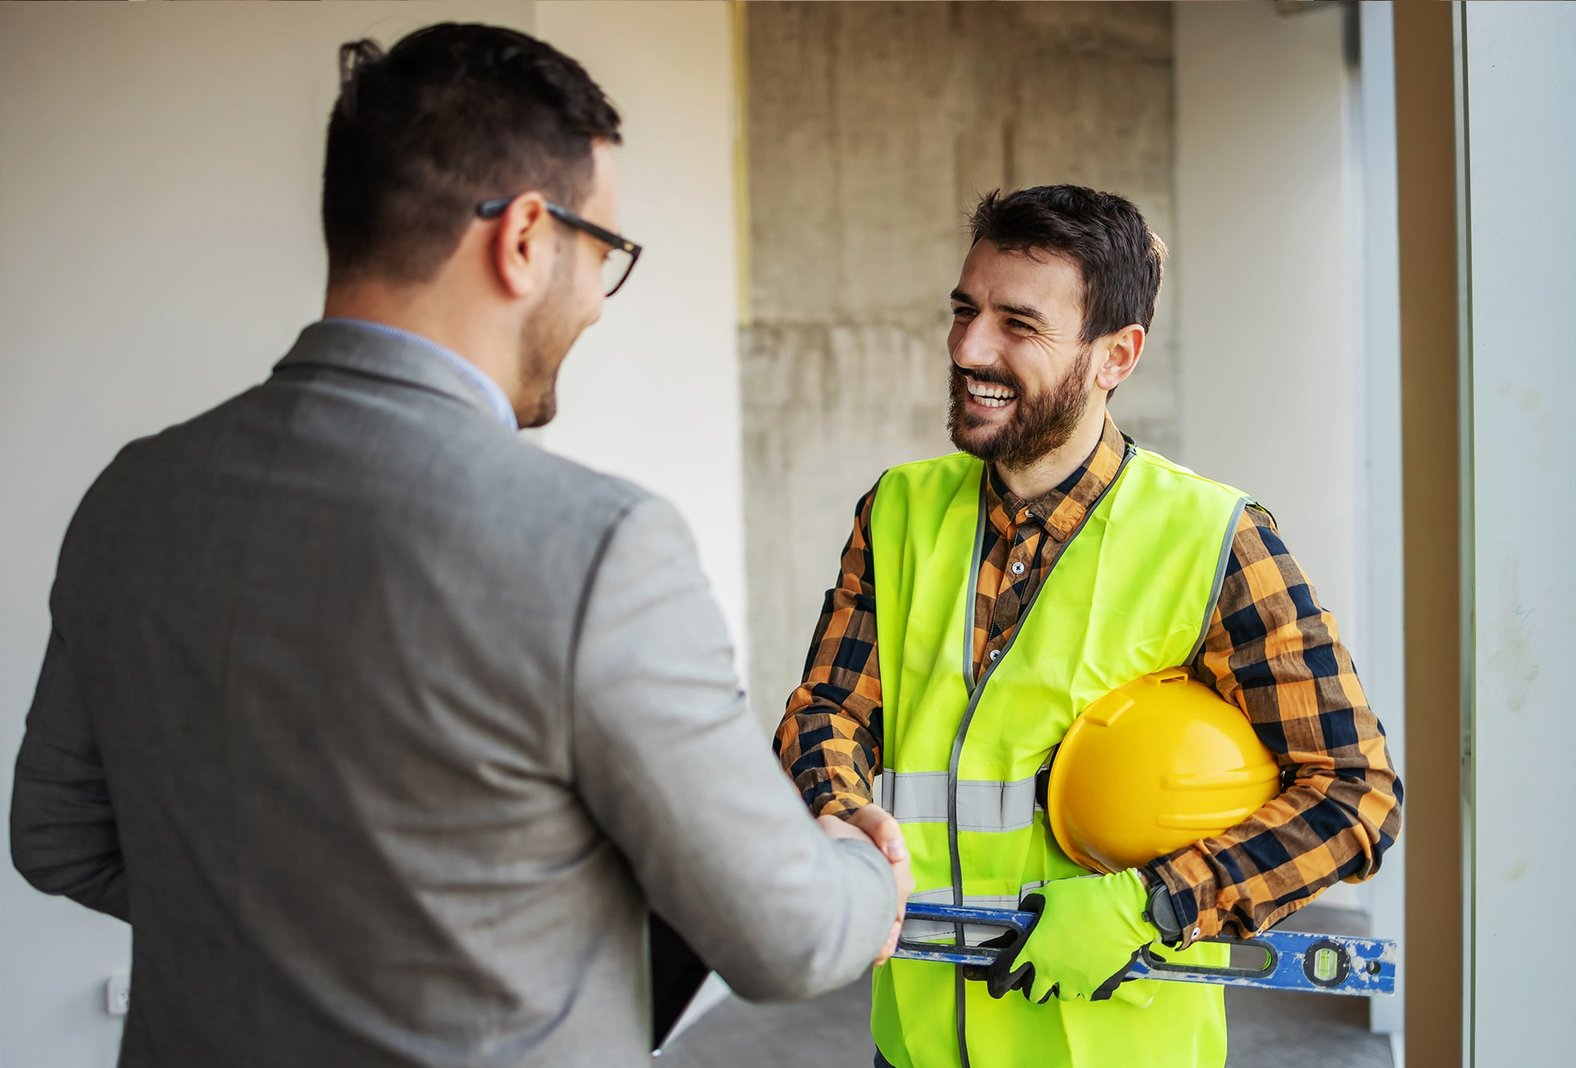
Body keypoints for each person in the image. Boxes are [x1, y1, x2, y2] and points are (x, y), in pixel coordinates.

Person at [9, 23, 910, 1068]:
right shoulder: (599, 549)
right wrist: (860, 867)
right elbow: (787, 936)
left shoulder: (134, 497)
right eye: (601, 254)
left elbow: (59, 839)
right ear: (525, 237)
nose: (596, 302)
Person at [774, 184, 1403, 1068]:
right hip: (913, 1045)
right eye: (965, 310)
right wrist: (841, 814)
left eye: (1018, 325)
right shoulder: (897, 510)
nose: (969, 347)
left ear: (1117, 355)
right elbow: (828, 710)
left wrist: (1156, 903)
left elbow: (1355, 796)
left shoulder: (1215, 538)